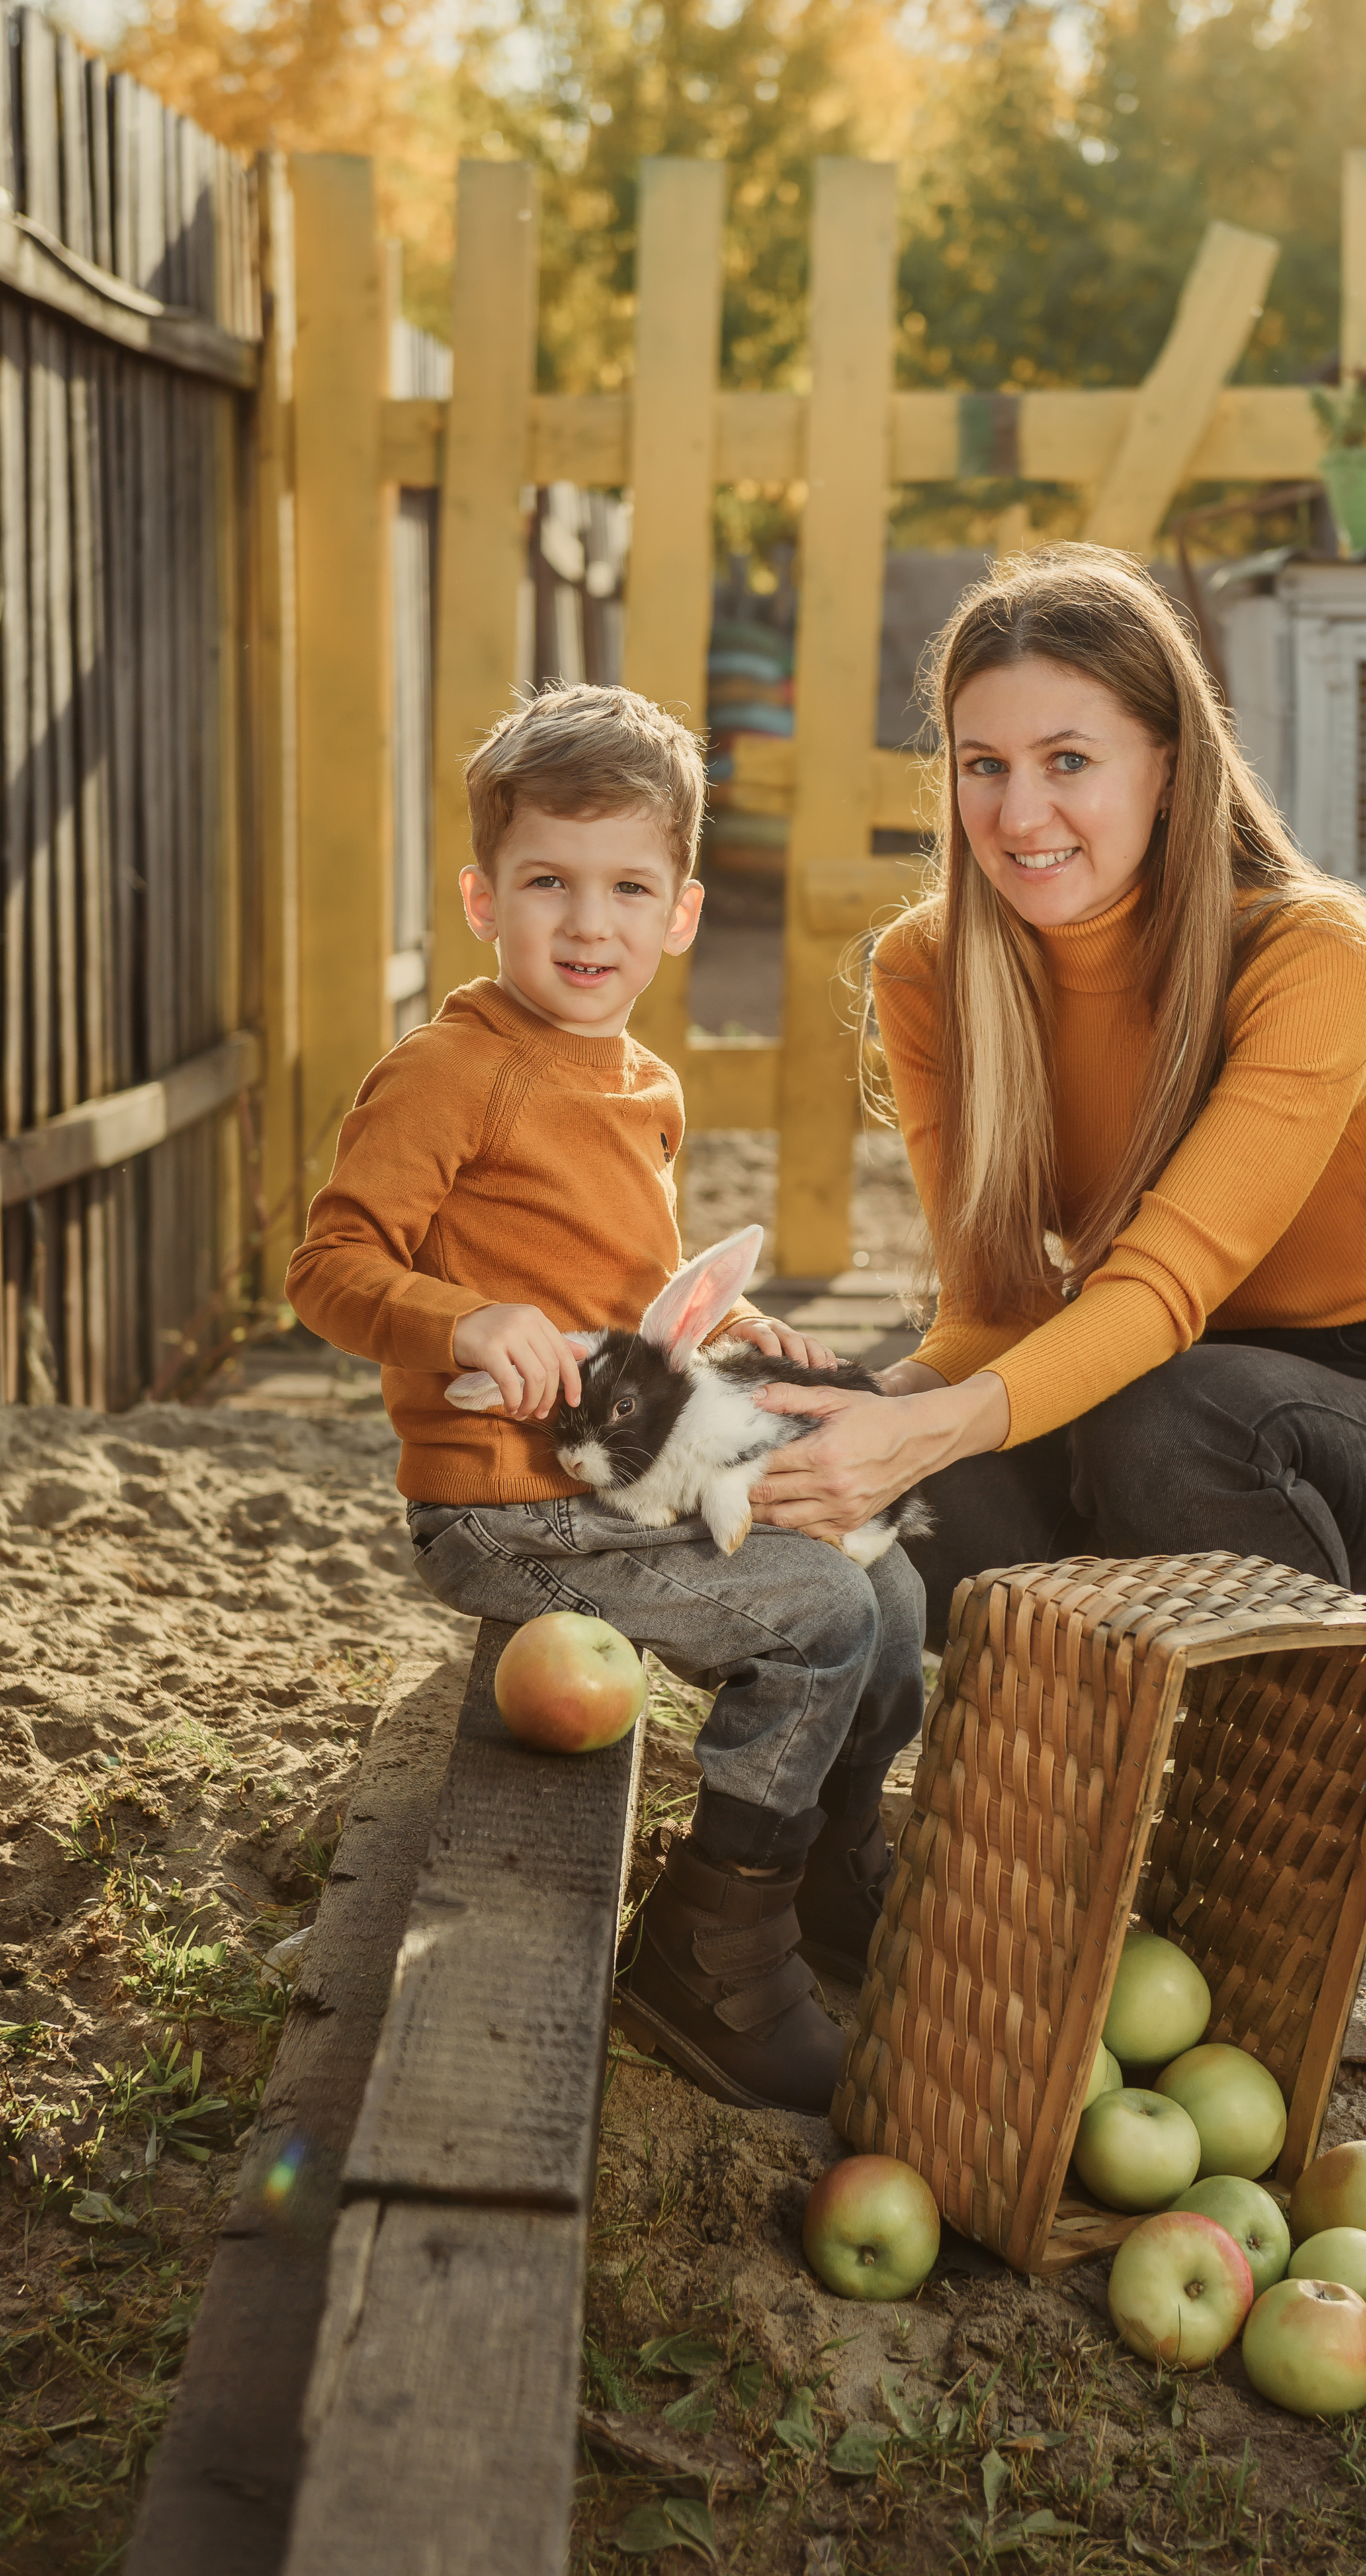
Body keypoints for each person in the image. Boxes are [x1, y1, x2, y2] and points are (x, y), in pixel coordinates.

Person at [746, 546, 1366, 1950]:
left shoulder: (1305, 955)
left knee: (1159, 1410)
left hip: (1364, 1434)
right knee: (780, 1426)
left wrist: (931, 1429)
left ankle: (1336, 1820)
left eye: (1067, 760)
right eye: (981, 766)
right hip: (1103, 1402)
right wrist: (871, 1418)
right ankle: (813, 1865)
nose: (1017, 812)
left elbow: (1162, 1295)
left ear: (1169, 761)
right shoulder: (930, 969)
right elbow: (989, 1307)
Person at [285, 685, 924, 2117]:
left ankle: (818, 1865)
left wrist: (737, 1328)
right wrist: (469, 1316)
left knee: (890, 1602)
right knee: (816, 1615)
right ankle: (707, 1950)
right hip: (504, 1516)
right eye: (548, 884)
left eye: (627, 887)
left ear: (681, 913)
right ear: (481, 896)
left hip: (610, 1487)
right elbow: (326, 1268)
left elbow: (630, 1291)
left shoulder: (636, 1078)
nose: (589, 925)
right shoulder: (451, 1072)